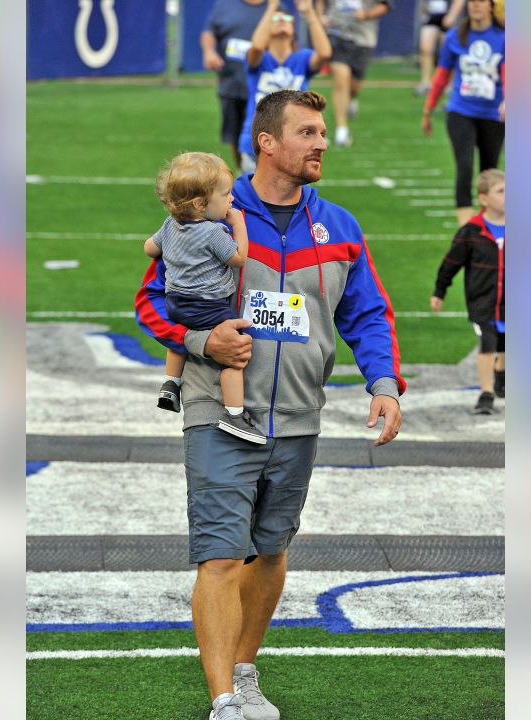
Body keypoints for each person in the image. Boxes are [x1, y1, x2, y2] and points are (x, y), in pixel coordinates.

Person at [134, 89, 405, 720]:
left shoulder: (339, 225)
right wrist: (202, 339)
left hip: (299, 416)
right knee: (222, 553)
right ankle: (223, 700)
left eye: (321, 133)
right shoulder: (206, 214)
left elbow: (368, 312)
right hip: (221, 410)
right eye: (308, 132)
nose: (320, 143)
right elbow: (151, 301)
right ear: (267, 142)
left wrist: (384, 383)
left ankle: (245, 670)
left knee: (272, 550)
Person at [146, 152, 265, 444]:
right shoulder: (214, 232)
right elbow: (238, 258)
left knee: (180, 341)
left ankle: (171, 384)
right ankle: (235, 414)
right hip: (210, 304)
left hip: (175, 301)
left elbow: (150, 248)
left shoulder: (170, 226)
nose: (231, 201)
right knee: (234, 355)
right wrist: (238, 225)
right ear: (200, 204)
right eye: (225, 195)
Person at [422, 0, 505, 226]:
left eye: (481, 2)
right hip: (461, 111)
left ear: (491, 6)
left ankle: (489, 226)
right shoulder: (455, 36)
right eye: (472, 2)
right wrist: (428, 108)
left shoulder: (503, 37)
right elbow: (442, 75)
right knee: (465, 166)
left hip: (493, 114)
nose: (475, 5)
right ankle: (466, 229)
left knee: (490, 170)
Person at [431, 168, 504, 414]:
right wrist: (439, 291)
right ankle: (487, 392)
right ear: (484, 199)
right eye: (501, 191)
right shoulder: (472, 231)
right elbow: (452, 262)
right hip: (483, 300)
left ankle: (501, 372)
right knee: (488, 341)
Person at [236, 0, 332, 174]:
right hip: (256, 141)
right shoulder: (260, 59)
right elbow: (257, 45)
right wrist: (271, 6)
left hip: (294, 142)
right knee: (254, 199)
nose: (281, 20)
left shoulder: (302, 58)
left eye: (287, 18)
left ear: (293, 28)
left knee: (288, 196)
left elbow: (324, 52)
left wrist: (309, 12)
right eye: (275, 18)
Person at [202, 0, 273, 173]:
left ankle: (266, 174)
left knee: (269, 132)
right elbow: (209, 32)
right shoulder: (224, 5)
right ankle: (244, 170)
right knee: (236, 134)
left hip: (264, 87)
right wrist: (209, 52)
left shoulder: (275, 7)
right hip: (231, 82)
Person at [318, 0, 393, 147]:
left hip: (363, 38)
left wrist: (366, 14)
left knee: (354, 86)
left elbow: (385, 5)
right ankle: (342, 130)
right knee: (341, 81)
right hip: (336, 33)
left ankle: (352, 98)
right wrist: (321, 16)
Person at [415, 0, 463, 95]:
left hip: (447, 17)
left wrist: (452, 15)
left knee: (449, 52)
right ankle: (426, 82)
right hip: (431, 17)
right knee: (425, 49)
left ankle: (451, 84)